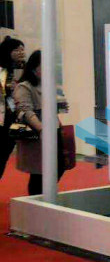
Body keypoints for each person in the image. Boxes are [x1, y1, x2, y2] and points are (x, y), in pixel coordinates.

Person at [14, 50, 65, 196]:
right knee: (39, 172)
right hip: (37, 135)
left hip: (54, 130)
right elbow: (26, 111)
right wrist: (41, 129)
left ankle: (45, 194)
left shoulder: (49, 86)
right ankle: (37, 200)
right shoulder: (24, 86)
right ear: (34, 68)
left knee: (59, 165)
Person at [0, 36, 25, 179]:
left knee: (5, 153)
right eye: (17, 50)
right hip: (3, 119)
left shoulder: (23, 70)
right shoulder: (2, 71)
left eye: (22, 49)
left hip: (13, 119)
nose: (21, 52)